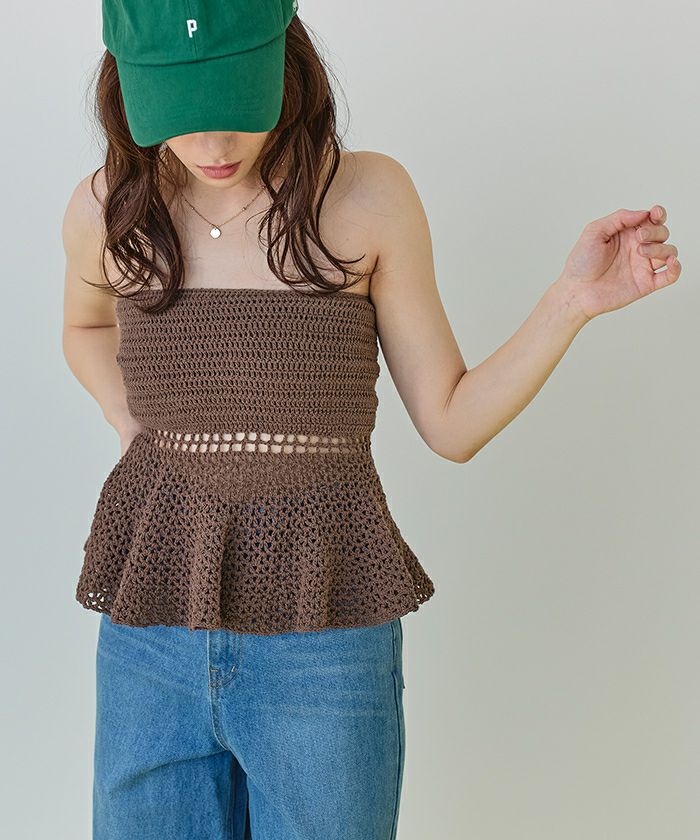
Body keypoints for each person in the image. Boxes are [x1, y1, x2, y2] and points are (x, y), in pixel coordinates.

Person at [61, 2, 682, 839]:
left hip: (325, 636)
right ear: (130, 91)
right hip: (152, 623)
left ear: (285, 63)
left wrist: (570, 302)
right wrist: (129, 421)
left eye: (236, 104)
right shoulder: (109, 209)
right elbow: (84, 326)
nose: (212, 144)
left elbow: (452, 423)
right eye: (180, 112)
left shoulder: (367, 197)